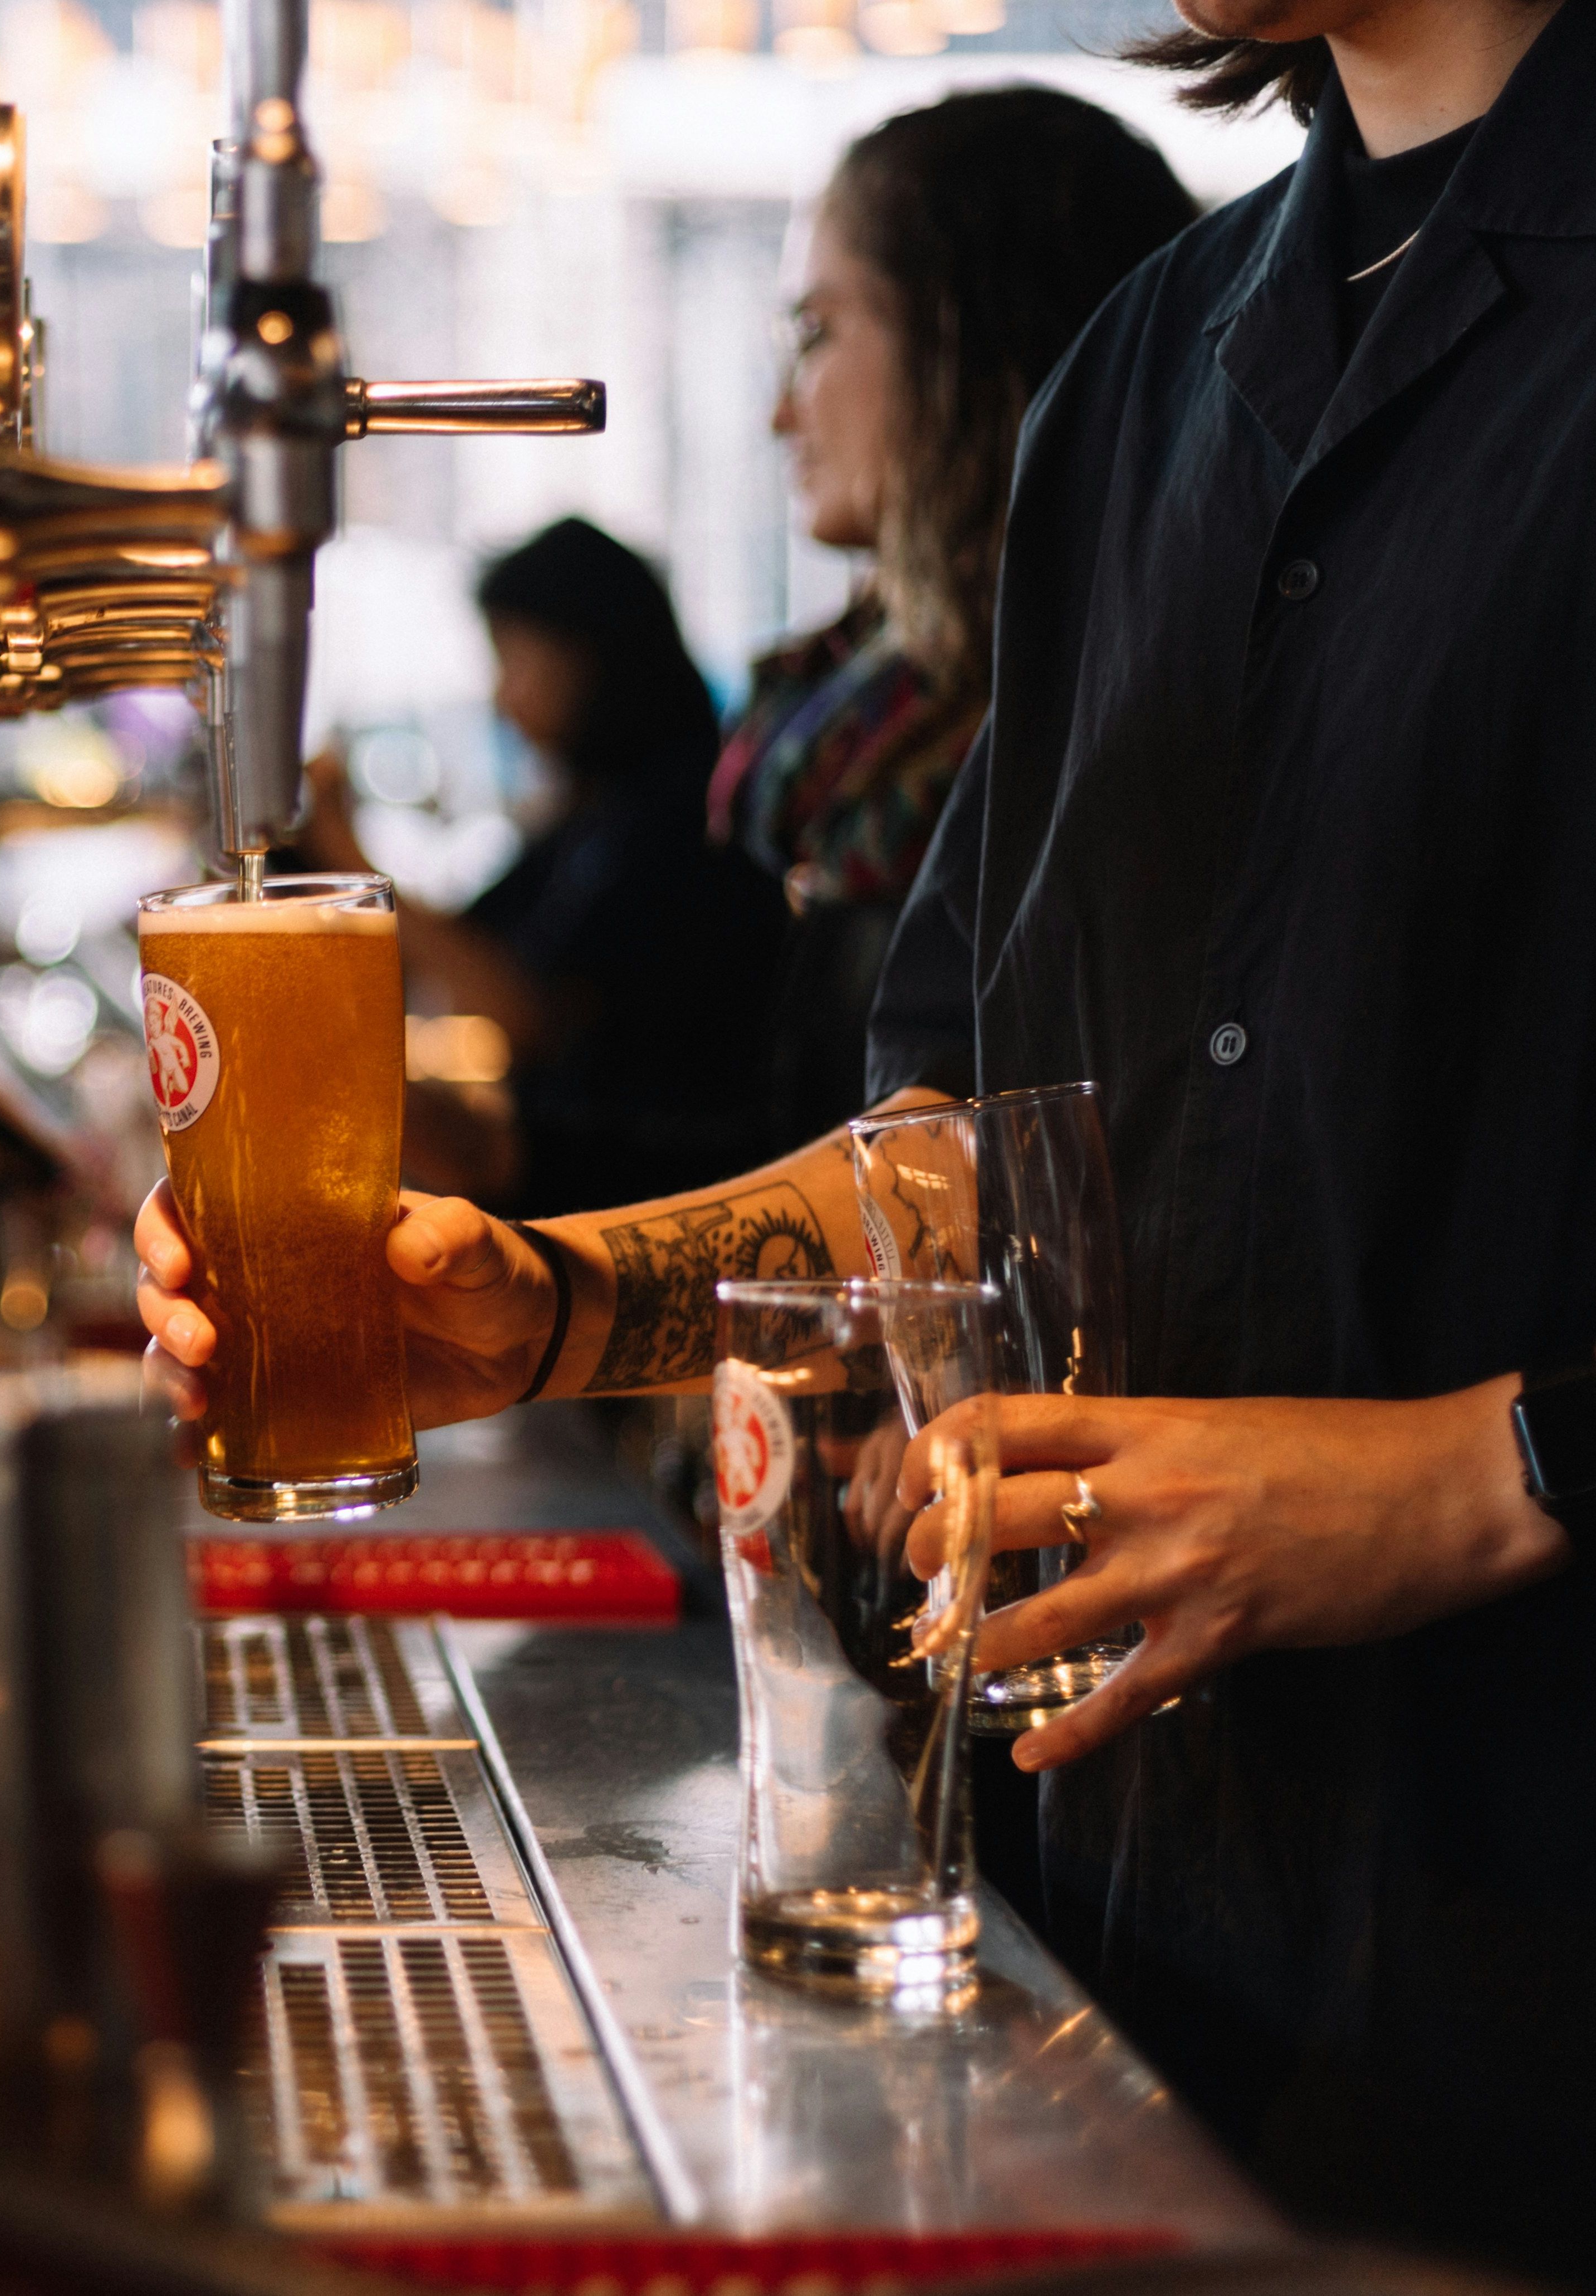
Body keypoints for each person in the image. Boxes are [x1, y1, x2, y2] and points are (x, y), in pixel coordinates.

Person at [141, 0, 1596, 2273]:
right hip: (1141, 1917)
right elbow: (976, 1136)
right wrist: (537, 1304)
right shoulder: (1160, 361)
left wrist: (1475, 1471)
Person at [714, 91, 1196, 1147]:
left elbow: (949, 1175)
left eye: (815, 333)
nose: (779, 410)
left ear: (962, 337)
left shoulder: (1085, 722)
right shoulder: (867, 720)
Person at [296, 520, 781, 1214]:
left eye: (511, 658)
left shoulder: (688, 815)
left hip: (660, 1204)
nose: (501, 696)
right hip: (594, 1182)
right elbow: (471, 943)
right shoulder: (594, 809)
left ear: (586, 651)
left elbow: (521, 1013)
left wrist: (343, 857)